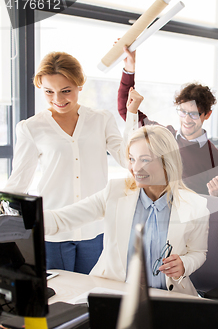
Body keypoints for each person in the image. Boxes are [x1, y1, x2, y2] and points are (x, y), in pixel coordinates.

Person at [44, 125, 210, 295]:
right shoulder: (115, 192)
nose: (135, 168)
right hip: (116, 293)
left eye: (145, 159)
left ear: (167, 162)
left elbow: (198, 252)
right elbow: (62, 219)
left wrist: (184, 264)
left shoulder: (194, 205)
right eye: (131, 159)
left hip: (168, 295)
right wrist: (26, 218)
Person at [3, 52, 128, 274]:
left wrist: (134, 114)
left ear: (80, 85)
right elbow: (18, 182)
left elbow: (128, 160)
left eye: (66, 91)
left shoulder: (101, 119)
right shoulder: (31, 128)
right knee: (59, 299)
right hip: (53, 232)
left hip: (95, 229)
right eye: (49, 92)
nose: (58, 99)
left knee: (92, 296)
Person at [117, 48, 218, 197]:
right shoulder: (164, 135)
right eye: (183, 112)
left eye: (193, 114)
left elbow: (212, 207)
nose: (186, 119)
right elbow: (127, 110)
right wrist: (129, 70)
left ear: (207, 115)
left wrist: (217, 195)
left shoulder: (214, 158)